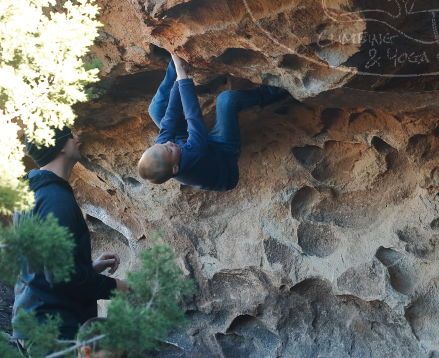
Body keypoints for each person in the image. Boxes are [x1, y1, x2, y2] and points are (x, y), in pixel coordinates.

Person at [13, 127, 128, 341]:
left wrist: (88, 268)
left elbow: (41, 267)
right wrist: (118, 287)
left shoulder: (33, 194)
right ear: (60, 147)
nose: (77, 137)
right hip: (54, 328)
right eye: (70, 135)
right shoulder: (55, 200)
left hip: (36, 321)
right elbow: (59, 276)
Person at [137, 52, 288, 191]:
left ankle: (176, 57)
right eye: (169, 150)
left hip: (199, 147)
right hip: (223, 152)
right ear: (175, 168)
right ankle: (275, 92)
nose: (168, 143)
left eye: (162, 144)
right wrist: (184, 78)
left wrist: (178, 74)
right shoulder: (191, 157)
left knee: (156, 110)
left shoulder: (163, 148)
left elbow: (170, 116)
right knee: (226, 100)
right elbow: (193, 118)